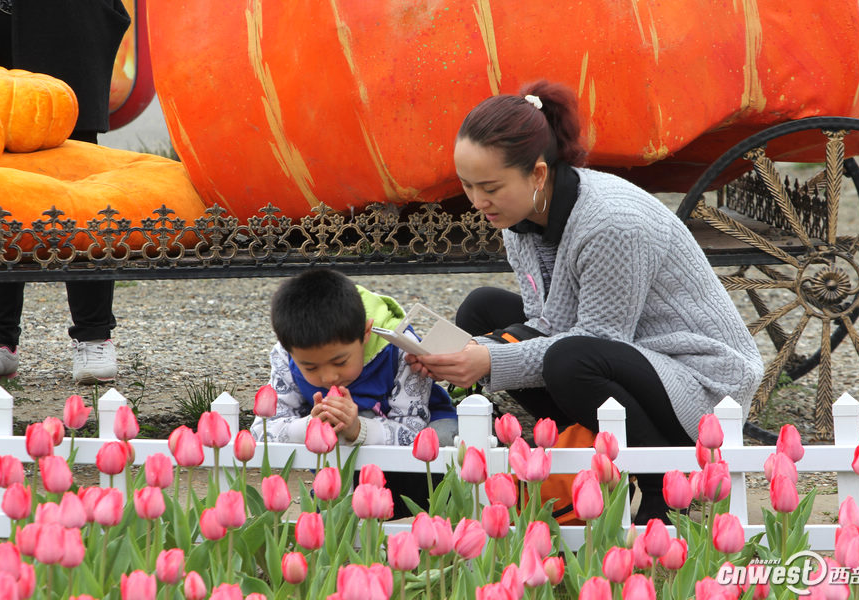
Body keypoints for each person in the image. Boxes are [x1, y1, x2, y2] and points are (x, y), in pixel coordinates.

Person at [408, 80, 764, 524]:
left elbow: (594, 339)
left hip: (699, 381)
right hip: (626, 359)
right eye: (467, 185)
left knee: (568, 360)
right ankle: (572, 451)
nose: (478, 202)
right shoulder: (519, 214)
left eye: (491, 187)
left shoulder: (611, 224)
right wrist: (475, 352)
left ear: (537, 173)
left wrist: (490, 361)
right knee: (482, 311)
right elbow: (547, 321)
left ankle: (661, 487)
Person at [249, 268, 458, 517]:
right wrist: (310, 427)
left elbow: (413, 433)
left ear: (366, 333)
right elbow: (263, 430)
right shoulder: (286, 357)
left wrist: (359, 429)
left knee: (446, 444)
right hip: (343, 469)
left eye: (340, 362)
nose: (328, 377)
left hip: (420, 463)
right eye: (310, 367)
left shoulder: (399, 348)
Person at [0, 0, 130, 383]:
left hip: (64, 15)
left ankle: (93, 333)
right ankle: (1, 335)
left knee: (78, 177)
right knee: (3, 179)